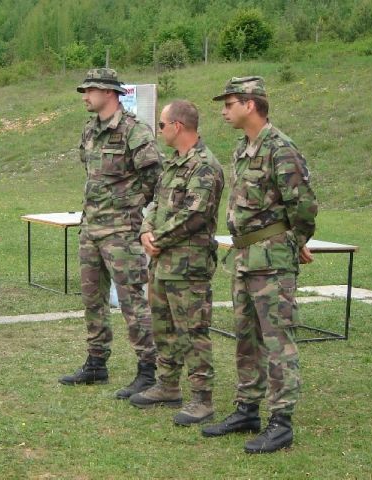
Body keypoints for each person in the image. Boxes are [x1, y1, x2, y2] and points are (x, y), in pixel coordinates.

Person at [201, 77, 318, 453]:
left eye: (229, 103)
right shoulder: (243, 148)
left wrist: (293, 243)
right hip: (244, 257)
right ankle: (247, 409)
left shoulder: (280, 148)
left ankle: (281, 422)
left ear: (249, 104)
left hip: (271, 262)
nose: (224, 111)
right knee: (246, 338)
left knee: (277, 340)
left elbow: (304, 206)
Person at [59, 68, 162, 399]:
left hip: (121, 232)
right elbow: (90, 171)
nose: (85, 96)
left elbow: (155, 178)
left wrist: (129, 206)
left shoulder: (134, 130)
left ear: (108, 92)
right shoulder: (90, 129)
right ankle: (96, 362)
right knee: (93, 298)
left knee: (132, 300)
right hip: (91, 228)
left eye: (89, 90)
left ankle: (148, 370)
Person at [129, 101, 224, 426]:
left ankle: (202, 399)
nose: (159, 130)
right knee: (163, 327)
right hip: (162, 263)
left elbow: (195, 215)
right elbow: (156, 202)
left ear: (178, 126)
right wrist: (145, 230)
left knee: (193, 331)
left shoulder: (204, 166)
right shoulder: (173, 163)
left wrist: (157, 238)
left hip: (188, 267)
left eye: (162, 124)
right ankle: (167, 385)